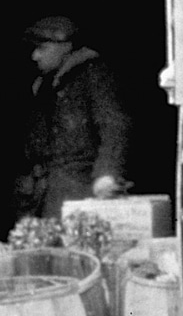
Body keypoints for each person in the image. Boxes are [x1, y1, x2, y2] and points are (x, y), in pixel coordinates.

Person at [14, 15, 131, 221]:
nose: (35, 56)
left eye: (42, 48)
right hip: (42, 193)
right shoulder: (43, 85)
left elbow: (114, 124)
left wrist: (107, 173)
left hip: (78, 189)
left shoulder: (93, 75)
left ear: (65, 47)